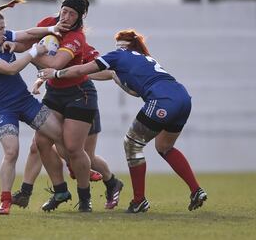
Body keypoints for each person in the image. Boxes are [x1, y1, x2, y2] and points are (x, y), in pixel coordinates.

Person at [39, 29, 208, 213]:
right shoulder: (143, 58)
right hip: (182, 98)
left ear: (122, 46)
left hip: (162, 101)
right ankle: (196, 190)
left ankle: (139, 200)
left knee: (132, 144)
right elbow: (129, 87)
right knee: (164, 147)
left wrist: (55, 73)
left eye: (118, 43)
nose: (116, 47)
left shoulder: (118, 55)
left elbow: (82, 69)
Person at [18, 0, 122, 212]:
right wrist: (8, 43)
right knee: (40, 142)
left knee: (77, 152)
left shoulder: (78, 39)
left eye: (71, 15)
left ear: (79, 18)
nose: (65, 17)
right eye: (63, 12)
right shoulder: (48, 24)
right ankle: (60, 191)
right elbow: (30, 46)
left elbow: (55, 64)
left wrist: (33, 56)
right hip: (56, 94)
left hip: (80, 95)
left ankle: (91, 194)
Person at [0, 0, 72, 215]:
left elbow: (27, 33)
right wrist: (35, 51)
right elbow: (11, 68)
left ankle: (76, 167)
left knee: (59, 134)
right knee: (11, 152)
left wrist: (51, 28)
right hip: (4, 109)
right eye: (0, 28)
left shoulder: (3, 38)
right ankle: (5, 200)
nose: (5, 32)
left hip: (25, 101)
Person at [12, 42, 123, 210]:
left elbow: (107, 72)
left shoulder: (80, 45)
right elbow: (49, 68)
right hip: (55, 99)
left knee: (85, 156)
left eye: (68, 15)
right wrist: (40, 80)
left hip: (81, 100)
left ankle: (111, 182)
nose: (63, 21)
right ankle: (46, 191)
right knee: (38, 144)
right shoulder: (52, 43)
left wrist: (79, 73)